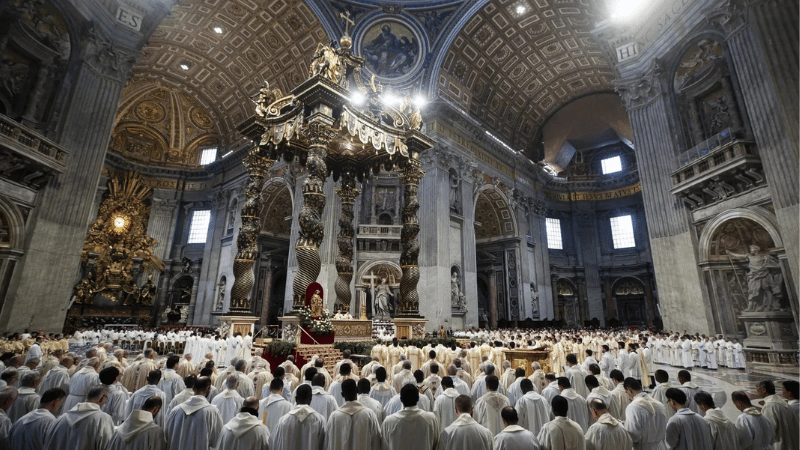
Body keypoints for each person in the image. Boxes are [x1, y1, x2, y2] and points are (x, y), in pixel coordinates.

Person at [44, 386, 115, 450]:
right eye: (106, 400)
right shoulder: (103, 419)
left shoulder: (62, 418)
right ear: (102, 398)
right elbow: (108, 446)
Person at [164, 376, 223, 450]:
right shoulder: (212, 412)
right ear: (208, 388)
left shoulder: (175, 411)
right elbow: (218, 440)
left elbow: (167, 436)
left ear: (193, 387)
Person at [324, 379, 382, 450]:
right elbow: (376, 441)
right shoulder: (369, 414)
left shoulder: (334, 417)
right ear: (357, 390)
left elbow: (327, 443)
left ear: (342, 394)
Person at [382, 384, 439, 450]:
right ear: (418, 398)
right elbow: (436, 444)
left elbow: (384, 446)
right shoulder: (430, 419)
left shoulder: (389, 422)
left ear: (401, 399)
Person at [269, 384, 326, 450]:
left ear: (295, 399)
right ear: (310, 398)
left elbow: (274, 444)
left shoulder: (284, 420)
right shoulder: (319, 420)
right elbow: (325, 445)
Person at [622, 377, 667, 450]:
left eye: (626, 392)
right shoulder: (659, 404)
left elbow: (633, 435)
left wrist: (625, 427)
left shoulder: (633, 407)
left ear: (629, 390)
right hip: (660, 446)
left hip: (643, 447)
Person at [756, 379, 799, 450]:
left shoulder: (770, 405)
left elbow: (768, 432)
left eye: (757, 387)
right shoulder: (783, 402)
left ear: (764, 390)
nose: (756, 390)